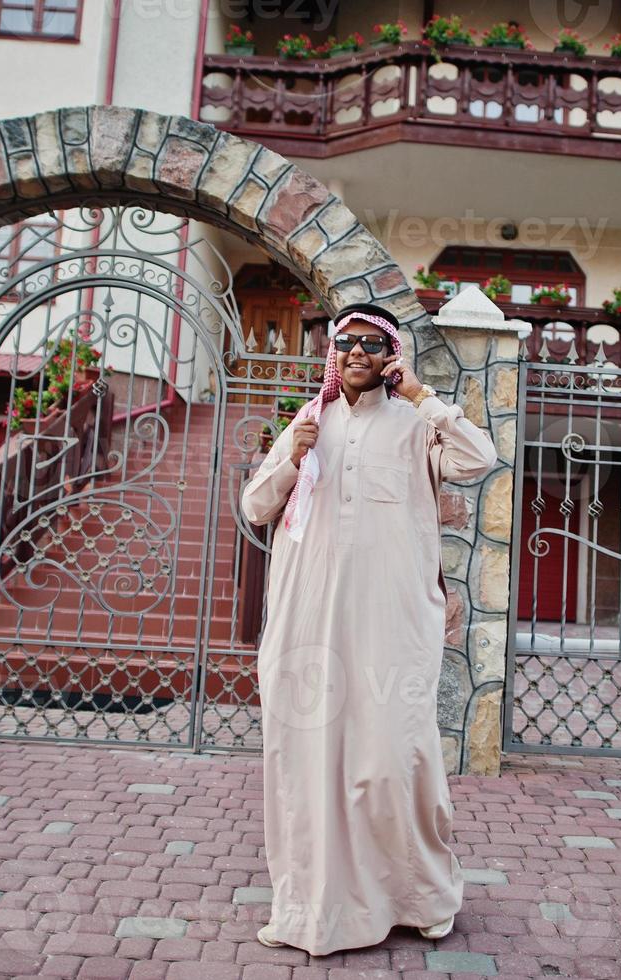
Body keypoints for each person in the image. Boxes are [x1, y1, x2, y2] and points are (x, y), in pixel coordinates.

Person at [240, 301, 498, 956]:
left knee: (391, 762)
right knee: (306, 765)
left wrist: (422, 395)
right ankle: (307, 908)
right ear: (334, 354)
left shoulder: (415, 426)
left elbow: (478, 458)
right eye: (346, 341)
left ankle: (421, 899)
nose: (357, 352)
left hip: (392, 629)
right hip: (306, 626)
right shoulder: (308, 422)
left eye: (372, 343)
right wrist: (289, 459)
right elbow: (254, 506)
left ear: (390, 356)